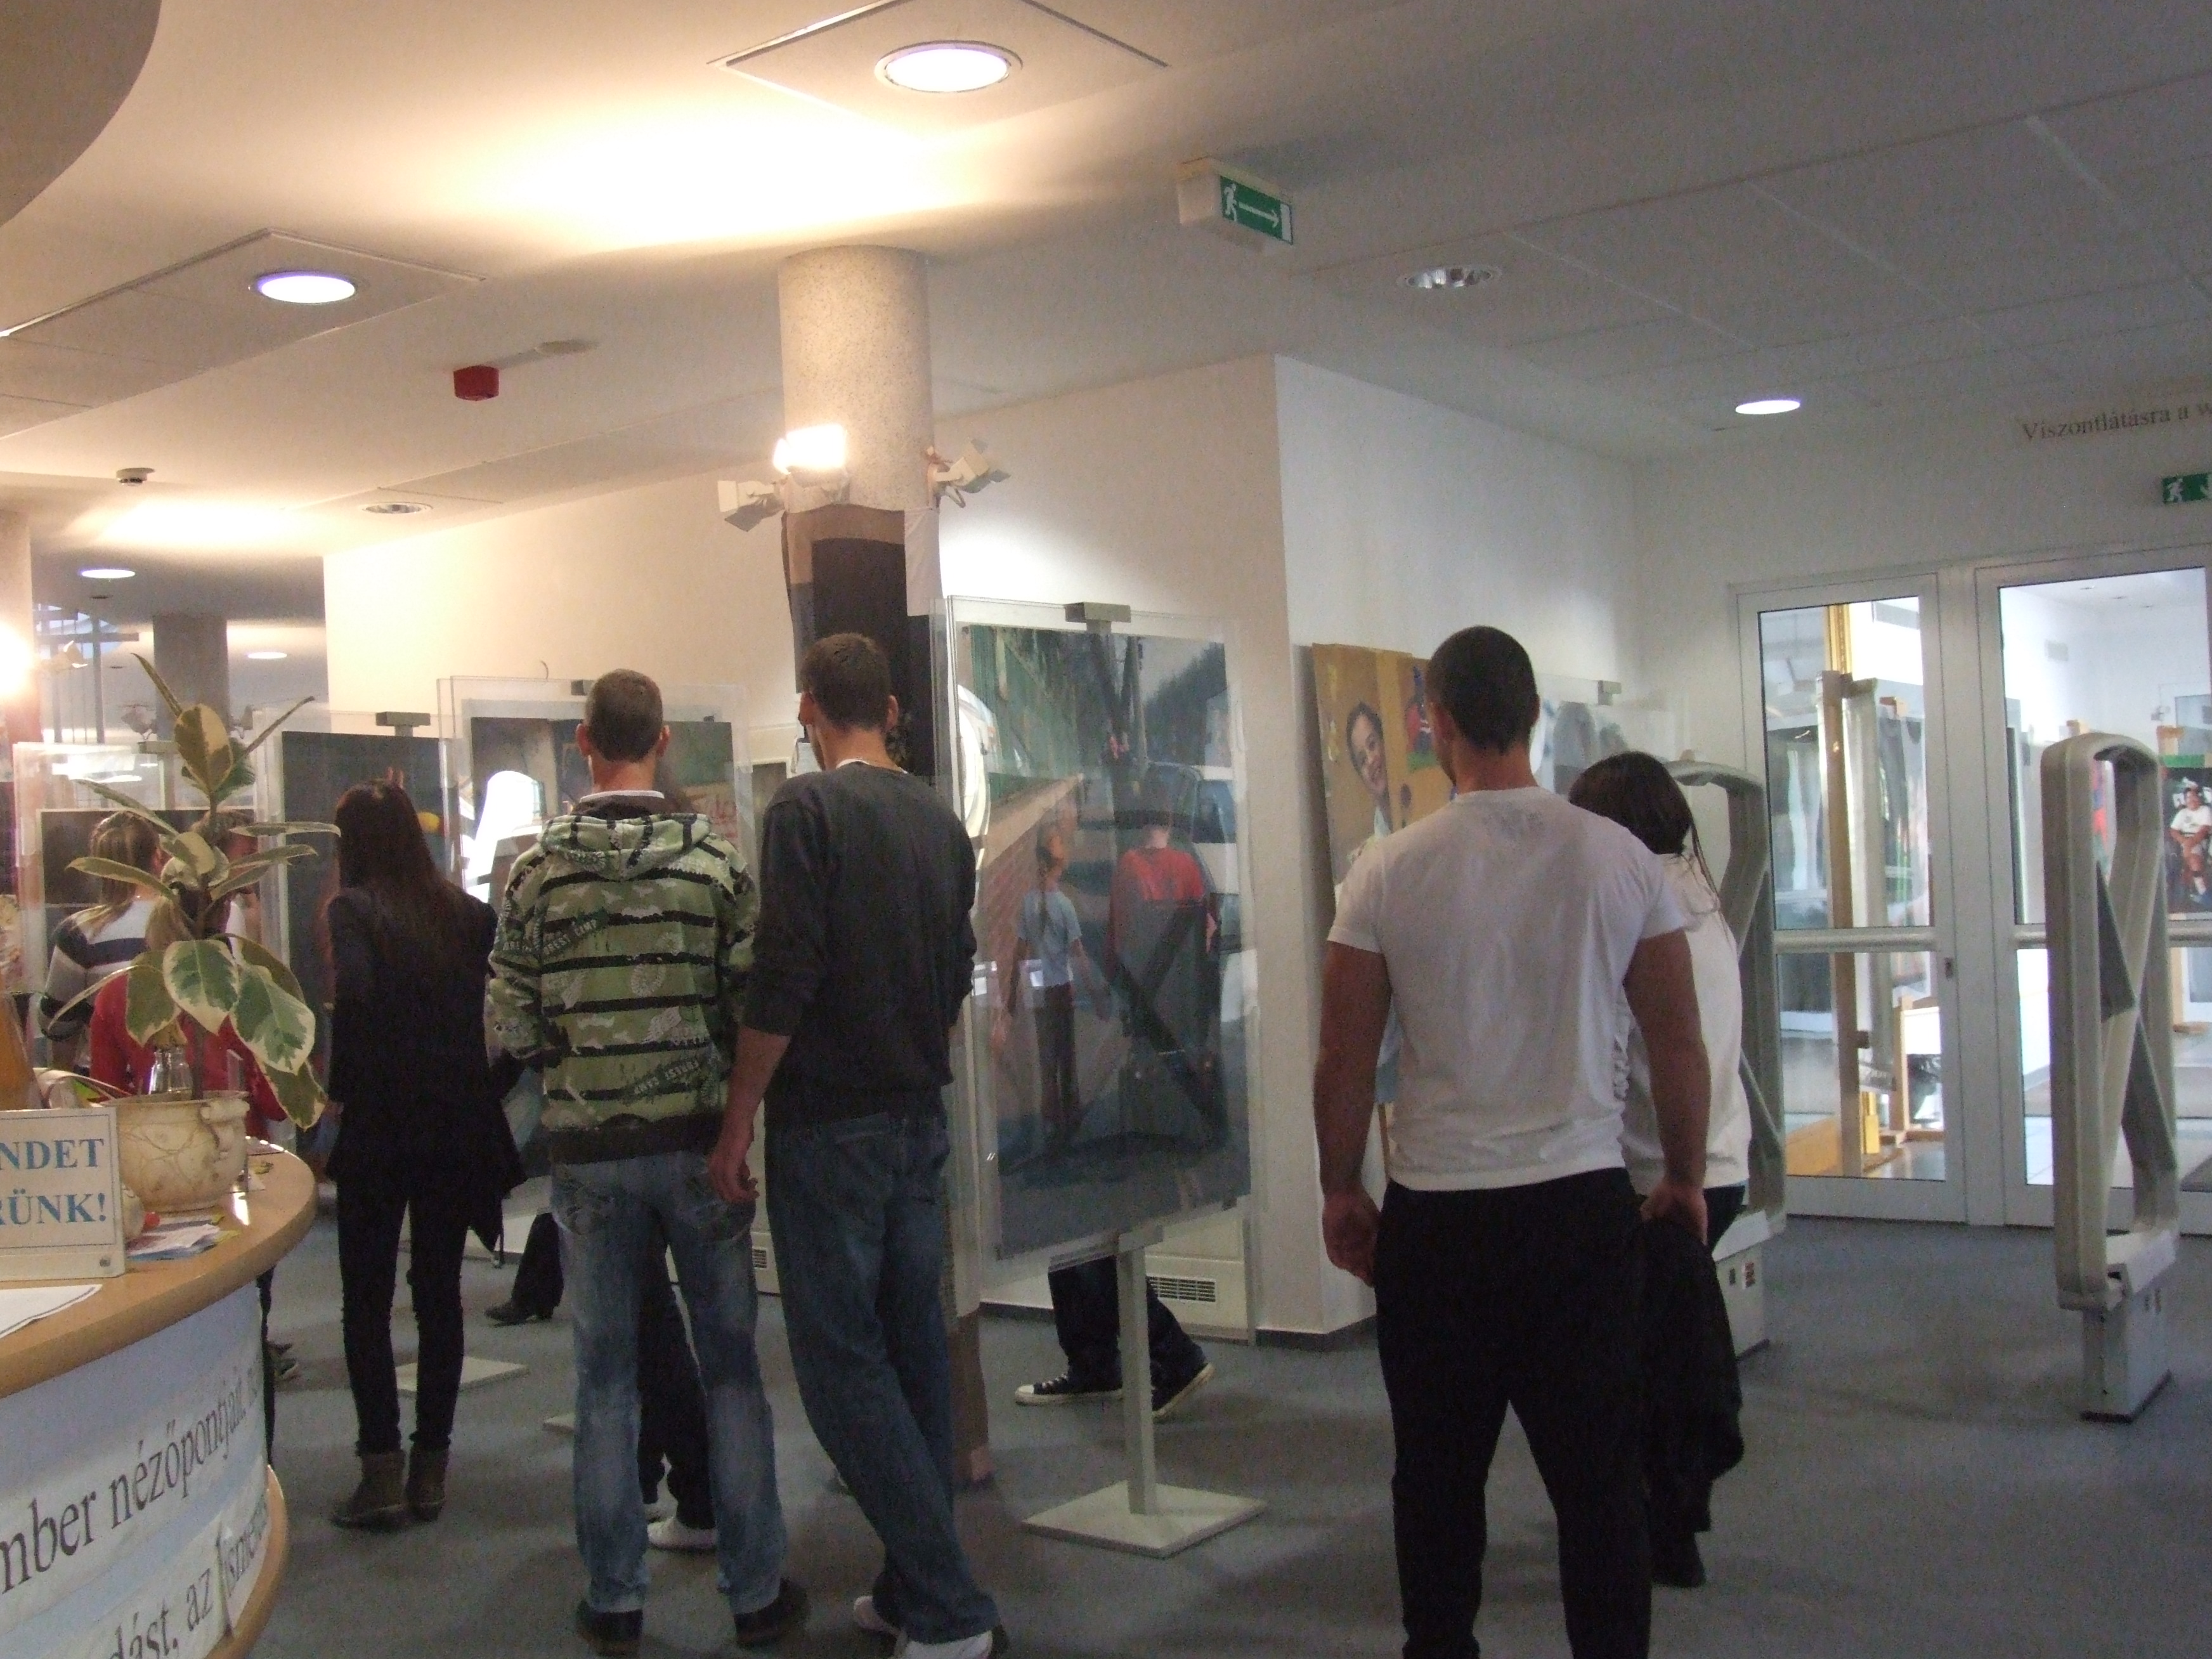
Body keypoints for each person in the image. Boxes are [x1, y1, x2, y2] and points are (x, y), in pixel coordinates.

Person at [1311, 624, 1712, 1659]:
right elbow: (1676, 1041)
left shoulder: (1385, 870)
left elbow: (1344, 1057)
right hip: (1578, 1215)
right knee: (1598, 1486)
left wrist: (1340, 1189)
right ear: (1533, 716)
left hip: (1439, 1222)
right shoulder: (1621, 860)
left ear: (1434, 721)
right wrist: (1682, 1174)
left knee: (1436, 1478)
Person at [488, 669, 802, 1658]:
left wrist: (575, 1060)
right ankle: (755, 1595)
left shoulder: (538, 872)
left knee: (604, 1380)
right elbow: (751, 1004)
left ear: (584, 741)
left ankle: (616, 1599)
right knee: (733, 1372)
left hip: (589, 1155)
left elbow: (509, 1017)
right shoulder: (714, 864)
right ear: (662, 741)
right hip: (699, 1146)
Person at [708, 633, 1002, 1659]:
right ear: (891, 709)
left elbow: (784, 974)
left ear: (808, 709)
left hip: (830, 1126)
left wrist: (739, 1116)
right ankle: (915, 1590)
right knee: (913, 1352)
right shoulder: (939, 821)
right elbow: (955, 967)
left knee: (838, 1369)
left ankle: (950, 1604)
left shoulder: (805, 811)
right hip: (917, 1116)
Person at [1569, 751, 1753, 1586]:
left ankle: (1667, 1527)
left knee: (1641, 1368)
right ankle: (1671, 1515)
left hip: (1662, 1175)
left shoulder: (1645, 913)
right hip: (1712, 1161)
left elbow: (1650, 1054)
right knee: (1668, 1355)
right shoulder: (1699, 902)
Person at [322, 781, 523, 1531]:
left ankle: (380, 1469)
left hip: (380, 1124)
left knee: (366, 1299)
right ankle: (431, 1466)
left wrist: (339, 1096)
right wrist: (485, 1086)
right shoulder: (467, 914)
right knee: (439, 1293)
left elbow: (357, 996)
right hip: (455, 1124)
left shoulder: (352, 910)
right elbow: (513, 1013)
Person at [484, 1208, 722, 1555]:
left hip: (614, 1187)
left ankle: (697, 1502)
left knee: (646, 1333)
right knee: (643, 1329)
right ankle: (645, 1487)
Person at [39, 811, 162, 1065]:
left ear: (97, 868)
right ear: (158, 856)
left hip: (104, 1079)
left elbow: (57, 1025)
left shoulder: (80, 933)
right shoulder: (189, 922)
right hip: (185, 1076)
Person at [1346, 701, 1393, 844]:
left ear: (1385, 742)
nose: (1371, 760)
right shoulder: (1372, 853)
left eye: (1372, 745)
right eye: (1362, 760)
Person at [2171, 781, 2212, 902]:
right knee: (2191, 862)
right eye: (2188, 798)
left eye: (2194, 797)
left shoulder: (2205, 810)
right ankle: (2201, 893)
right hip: (2184, 842)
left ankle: (2201, 894)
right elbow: (2173, 831)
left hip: (2199, 841)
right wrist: (2185, 843)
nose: (2192, 800)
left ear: (2199, 798)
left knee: (2193, 860)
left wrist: (2189, 844)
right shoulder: (2182, 813)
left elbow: (2204, 831)